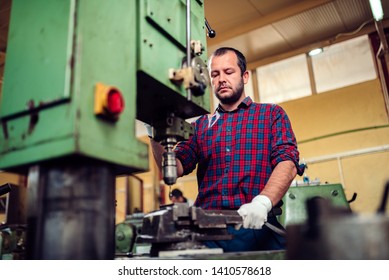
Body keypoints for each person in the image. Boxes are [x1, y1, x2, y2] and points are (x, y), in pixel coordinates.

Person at [149, 47, 304, 252]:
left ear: (245, 76)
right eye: (215, 74)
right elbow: (173, 168)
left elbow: (288, 163)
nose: (221, 79)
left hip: (255, 224)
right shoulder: (200, 126)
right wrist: (155, 128)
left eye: (228, 72)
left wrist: (263, 202)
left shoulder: (271, 114)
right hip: (208, 232)